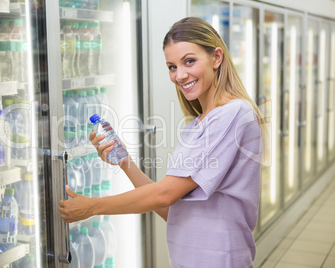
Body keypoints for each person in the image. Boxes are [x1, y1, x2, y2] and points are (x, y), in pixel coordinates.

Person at [59, 17, 265, 268]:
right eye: (172, 66)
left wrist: (93, 206)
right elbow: (174, 210)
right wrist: (126, 163)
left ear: (217, 58)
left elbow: (165, 195)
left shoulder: (233, 114)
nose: (180, 75)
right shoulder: (198, 124)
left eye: (189, 61)